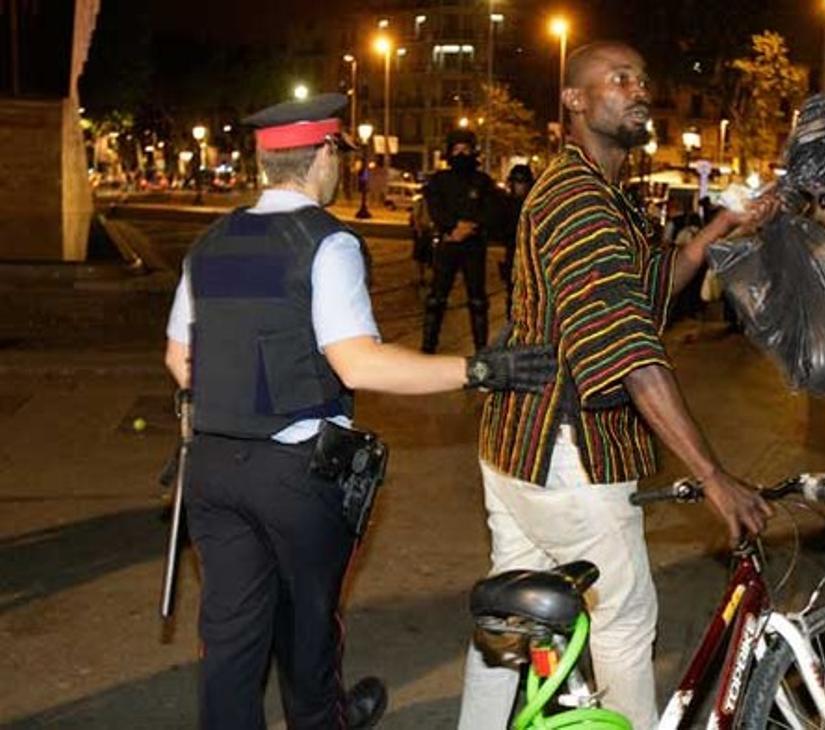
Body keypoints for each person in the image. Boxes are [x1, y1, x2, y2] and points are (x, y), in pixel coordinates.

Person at [162, 93, 556, 730]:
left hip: (211, 470)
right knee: (310, 625)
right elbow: (358, 364)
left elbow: (181, 360)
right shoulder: (326, 242)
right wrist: (480, 369)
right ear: (322, 156)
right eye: (336, 155)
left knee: (230, 640)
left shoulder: (211, 242)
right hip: (295, 474)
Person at [460, 42, 774, 730]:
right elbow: (631, 349)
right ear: (574, 101)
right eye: (620, 78)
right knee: (625, 621)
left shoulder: (599, 193)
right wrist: (711, 474)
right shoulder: (578, 201)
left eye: (644, 79)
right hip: (568, 454)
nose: (638, 90)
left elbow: (651, 287)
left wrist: (718, 229)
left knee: (512, 625)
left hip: (518, 448)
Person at [421, 129, 497, 353]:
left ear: (473, 151)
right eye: (457, 149)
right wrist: (452, 227)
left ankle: (481, 351)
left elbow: (491, 210)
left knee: (478, 301)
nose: (462, 154)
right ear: (449, 152)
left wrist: (471, 226)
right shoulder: (440, 180)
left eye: (466, 149)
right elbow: (435, 208)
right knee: (436, 299)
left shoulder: (483, 181)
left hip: (474, 245)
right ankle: (428, 349)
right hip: (448, 243)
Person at [494, 163, 535, 319]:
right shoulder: (506, 204)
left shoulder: (534, 204)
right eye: (517, 182)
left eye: (522, 182)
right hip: (514, 253)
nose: (520, 187)